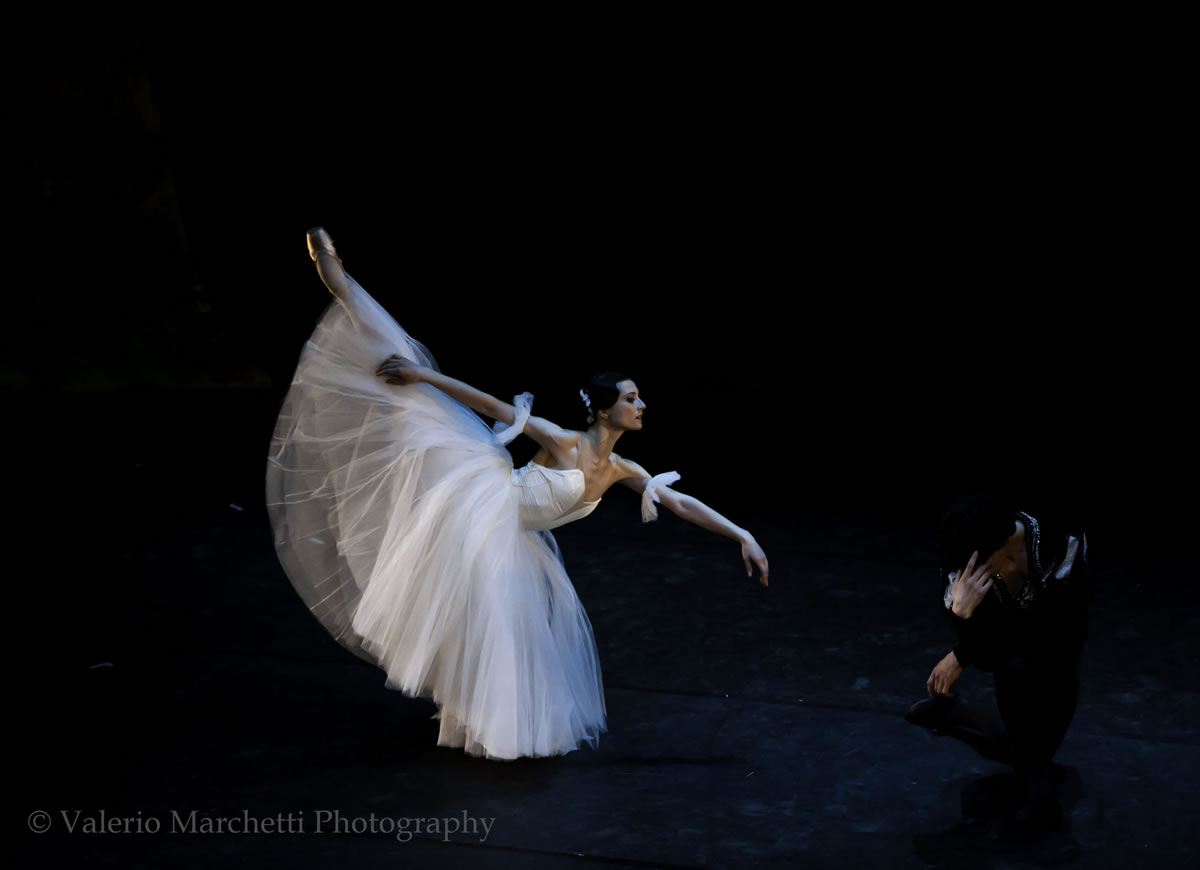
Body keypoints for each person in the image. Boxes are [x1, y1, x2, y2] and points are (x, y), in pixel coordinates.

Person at [266, 228, 769, 761]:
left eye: (639, 397)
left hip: (516, 535)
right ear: (603, 410)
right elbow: (488, 403)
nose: (641, 404)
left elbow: (680, 503)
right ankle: (335, 274)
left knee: (505, 629)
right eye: (630, 397)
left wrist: (742, 534)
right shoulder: (563, 441)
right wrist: (421, 377)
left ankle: (489, 721)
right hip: (480, 510)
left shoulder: (622, 467)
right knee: (492, 613)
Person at [905, 493, 1092, 840]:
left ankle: (957, 714)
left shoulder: (1057, 539)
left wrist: (963, 652)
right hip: (1011, 659)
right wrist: (962, 615)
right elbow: (991, 656)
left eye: (975, 564)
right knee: (1016, 687)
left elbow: (1065, 627)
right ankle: (1040, 794)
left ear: (1002, 545)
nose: (966, 574)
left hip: (1062, 646)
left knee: (1031, 743)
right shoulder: (965, 568)